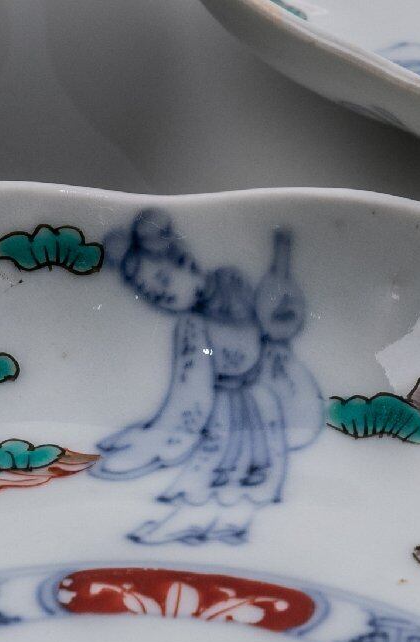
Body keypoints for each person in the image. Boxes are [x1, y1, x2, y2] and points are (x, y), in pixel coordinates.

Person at [92, 210, 323, 544]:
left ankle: (232, 525)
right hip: (225, 407)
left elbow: (275, 328)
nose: (161, 296)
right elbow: (188, 388)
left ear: (185, 262)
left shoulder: (231, 291)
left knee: (250, 470)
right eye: (152, 294)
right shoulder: (193, 323)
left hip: (256, 404)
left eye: (163, 281)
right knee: (215, 468)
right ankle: (202, 524)